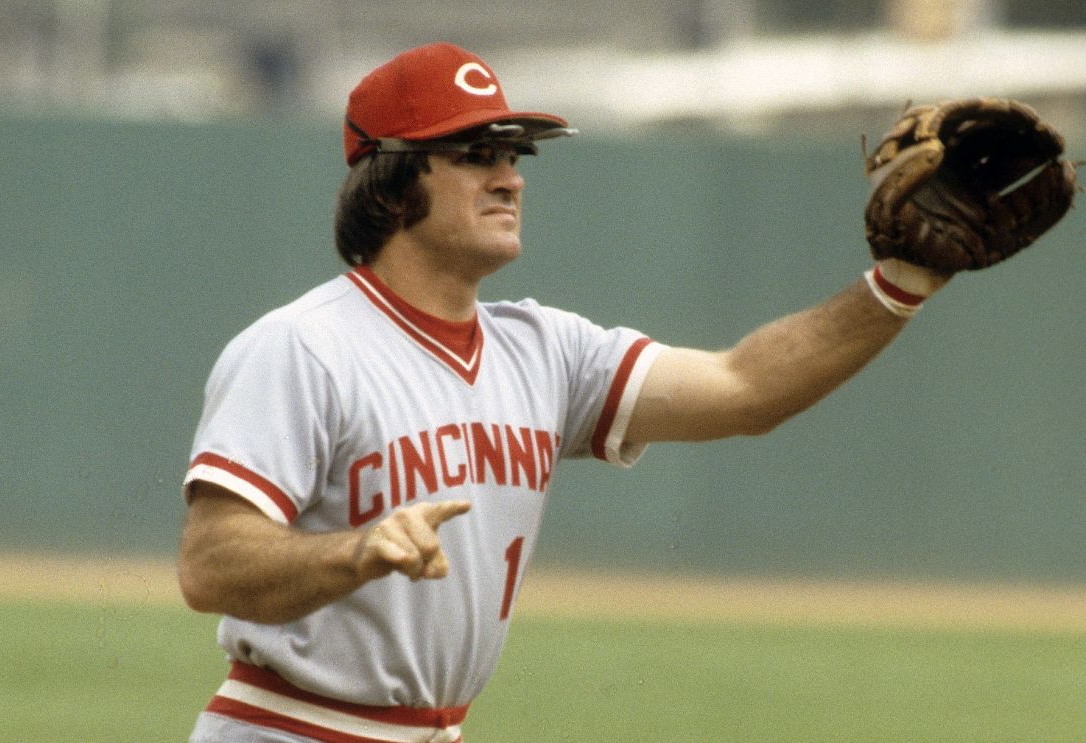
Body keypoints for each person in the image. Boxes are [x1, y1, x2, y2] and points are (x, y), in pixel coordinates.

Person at [177, 41, 949, 743]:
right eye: (476, 154)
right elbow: (210, 566)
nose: (509, 177)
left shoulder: (544, 349)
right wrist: (356, 549)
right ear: (387, 184)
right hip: (290, 728)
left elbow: (743, 387)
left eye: (514, 155)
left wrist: (899, 284)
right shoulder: (304, 345)